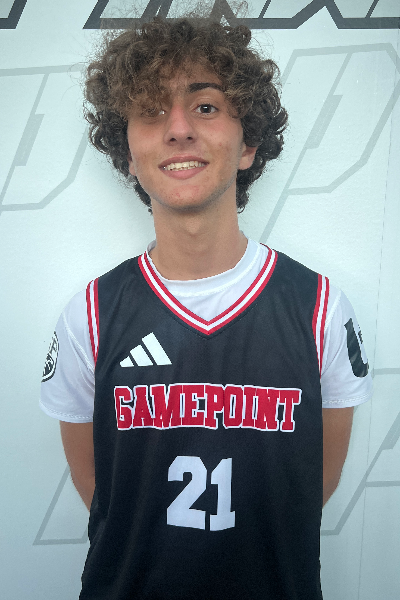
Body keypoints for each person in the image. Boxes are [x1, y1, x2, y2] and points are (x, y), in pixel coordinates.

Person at [40, 17, 373, 600]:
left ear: (248, 145)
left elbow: (309, 485)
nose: (178, 129)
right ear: (128, 154)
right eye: (151, 111)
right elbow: (103, 489)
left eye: (206, 107)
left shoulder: (319, 307)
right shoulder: (89, 314)